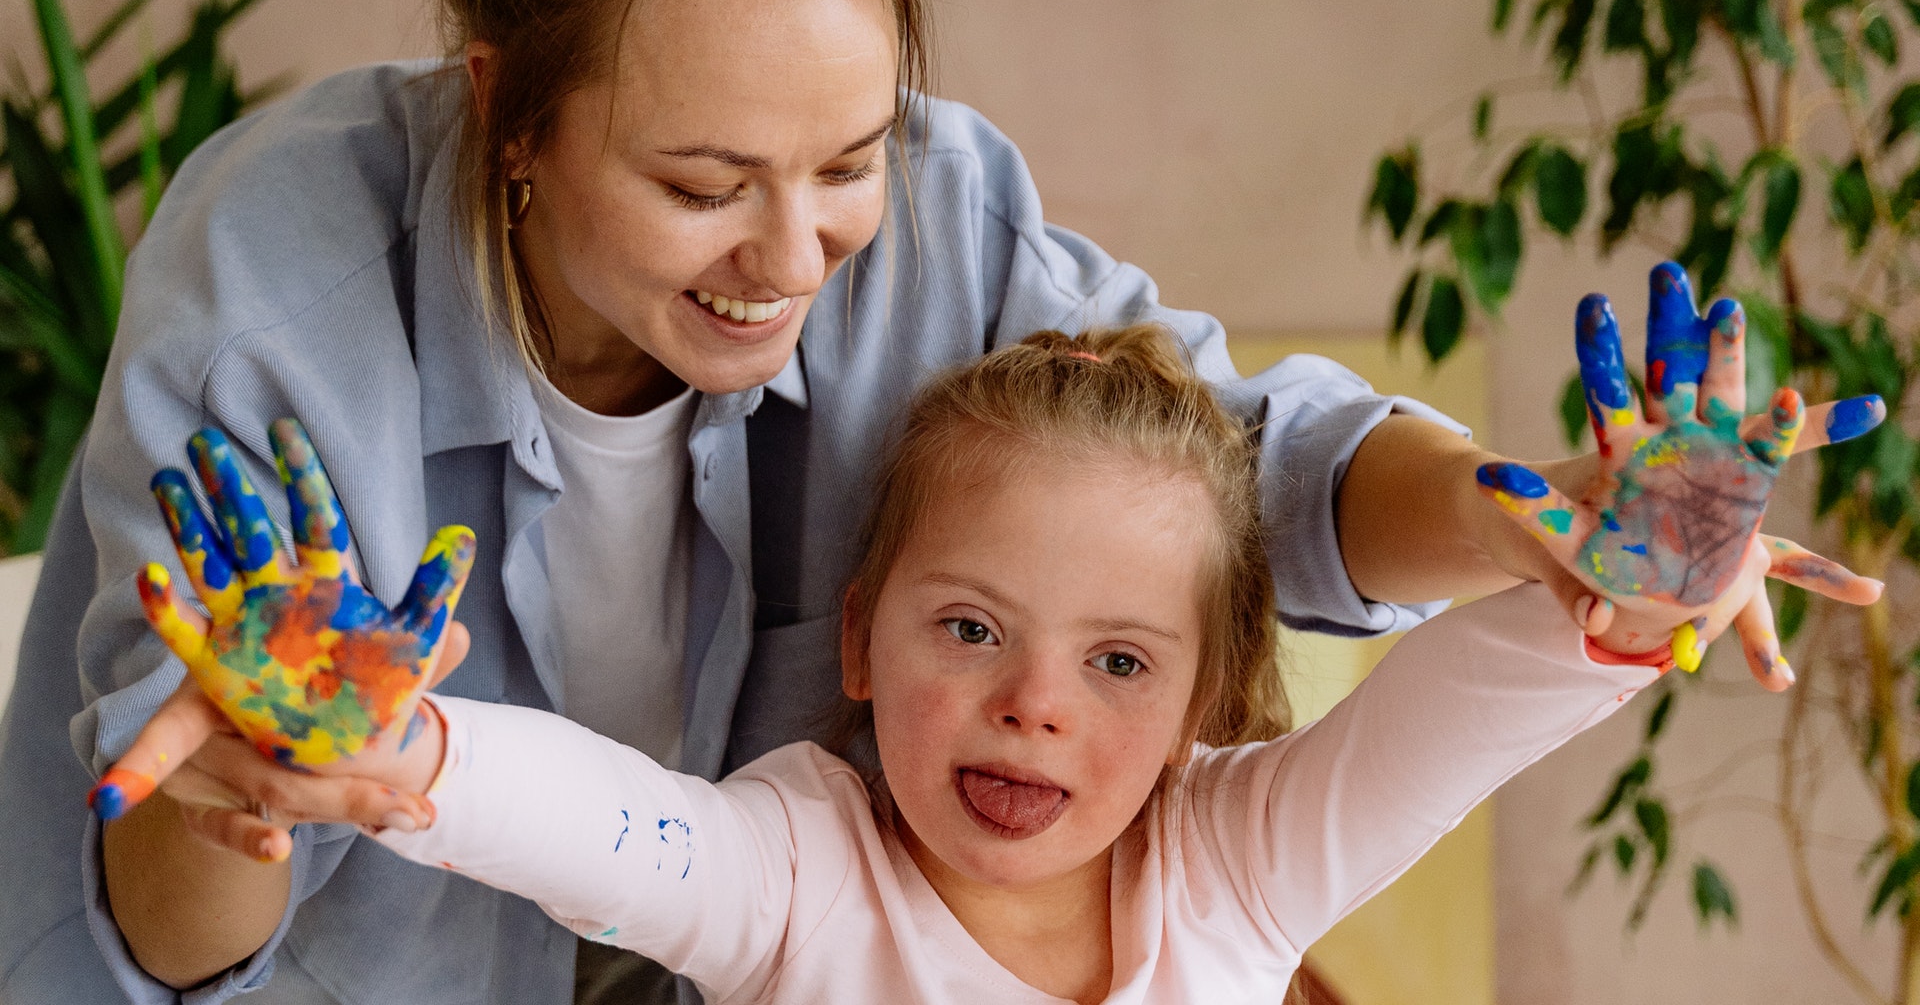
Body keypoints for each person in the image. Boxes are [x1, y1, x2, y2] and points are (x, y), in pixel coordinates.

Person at [0, 0, 1866, 1002]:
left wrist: (1586, 564)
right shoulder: (805, 868)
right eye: (701, 184)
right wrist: (333, 759)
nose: (801, 256)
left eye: (848, 162)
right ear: (511, 108)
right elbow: (570, 821)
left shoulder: (1229, 861)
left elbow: (1233, 481)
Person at [93, 321, 1881, 1005]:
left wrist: (1626, 599)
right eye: (971, 629)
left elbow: (1447, 727)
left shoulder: (1235, 864)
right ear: (858, 637)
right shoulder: (803, 869)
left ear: (1207, 695)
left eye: (1121, 662)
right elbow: (617, 832)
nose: (1035, 699)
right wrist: (410, 756)